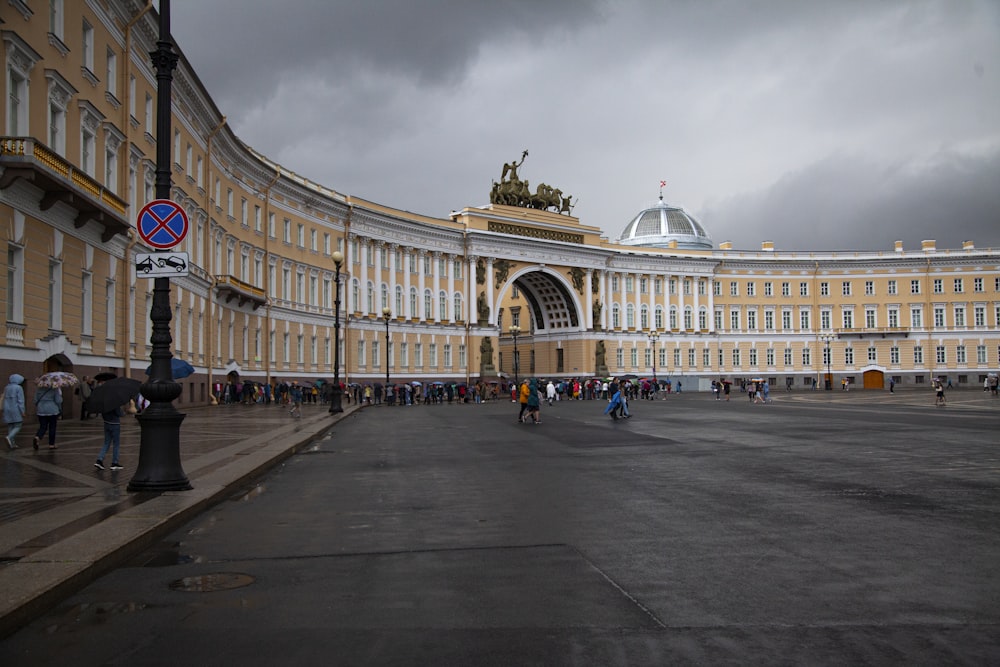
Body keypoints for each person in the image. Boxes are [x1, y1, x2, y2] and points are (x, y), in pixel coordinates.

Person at [33, 384, 64, 450]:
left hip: (41, 410)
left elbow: (35, 400)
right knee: (52, 427)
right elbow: (58, 401)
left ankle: (37, 437)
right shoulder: (54, 389)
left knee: (43, 426)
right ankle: (51, 444)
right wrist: (60, 407)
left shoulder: (38, 389)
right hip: (52, 410)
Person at [94, 404, 124, 470]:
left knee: (106, 443)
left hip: (106, 423)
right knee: (116, 444)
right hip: (115, 424)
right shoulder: (115, 402)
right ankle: (114, 463)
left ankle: (99, 460)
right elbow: (119, 413)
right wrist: (122, 412)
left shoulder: (104, 402)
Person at [3, 373, 26, 450]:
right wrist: (22, 411)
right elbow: (21, 401)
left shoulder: (7, 387)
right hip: (15, 409)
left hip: (7, 408)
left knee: (10, 425)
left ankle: (12, 443)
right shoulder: (18, 388)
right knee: (18, 425)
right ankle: (9, 437)